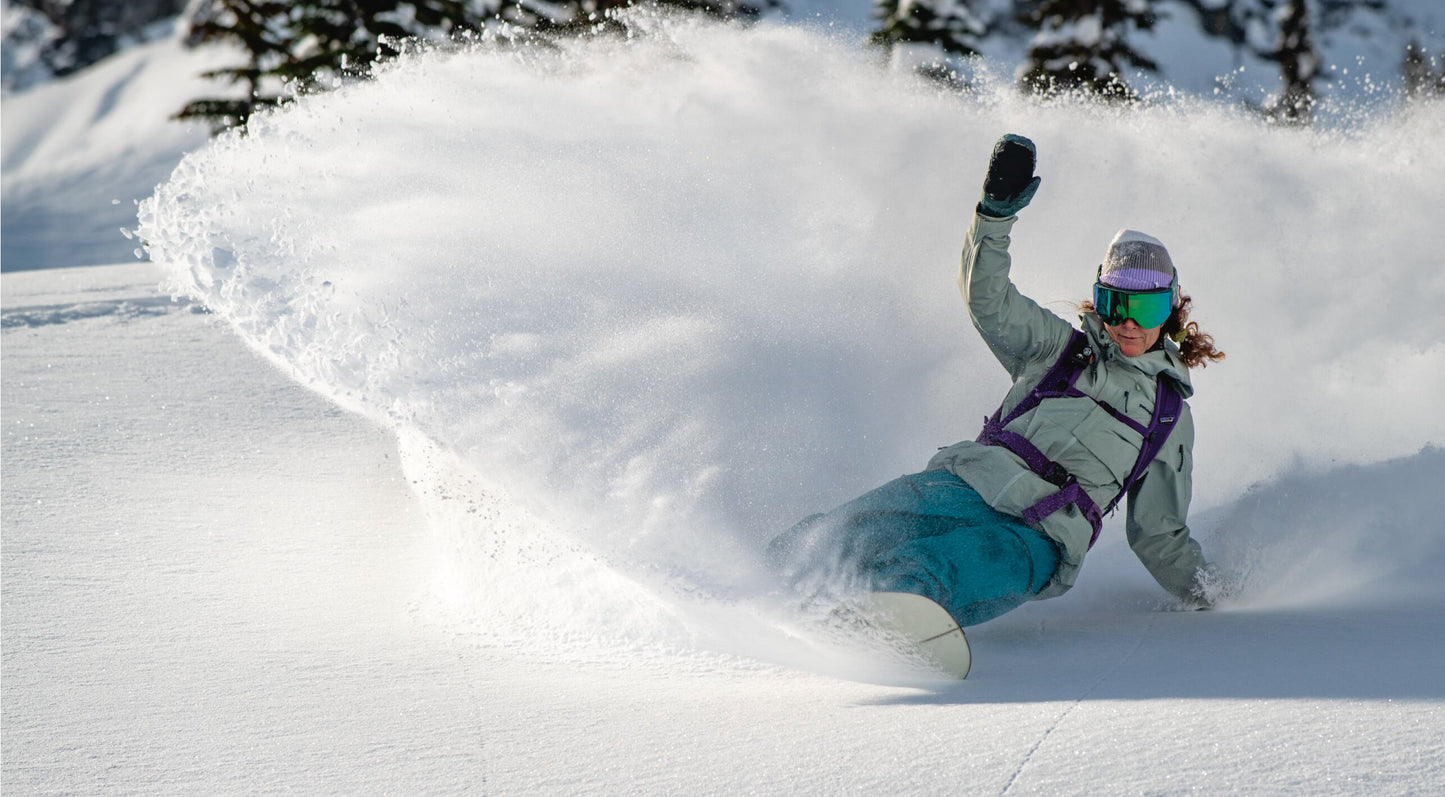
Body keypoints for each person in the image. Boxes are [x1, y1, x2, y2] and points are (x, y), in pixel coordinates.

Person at [767, 133, 1225, 627]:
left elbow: (1159, 534)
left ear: (1170, 310)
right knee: (837, 537)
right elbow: (989, 299)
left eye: (1147, 309)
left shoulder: (1167, 416)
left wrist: (1216, 594)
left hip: (1038, 535)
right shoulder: (1059, 348)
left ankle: (877, 622)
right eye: (1116, 305)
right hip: (964, 484)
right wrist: (995, 215)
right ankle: (751, 599)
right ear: (1099, 302)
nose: (1129, 323)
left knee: (932, 570)